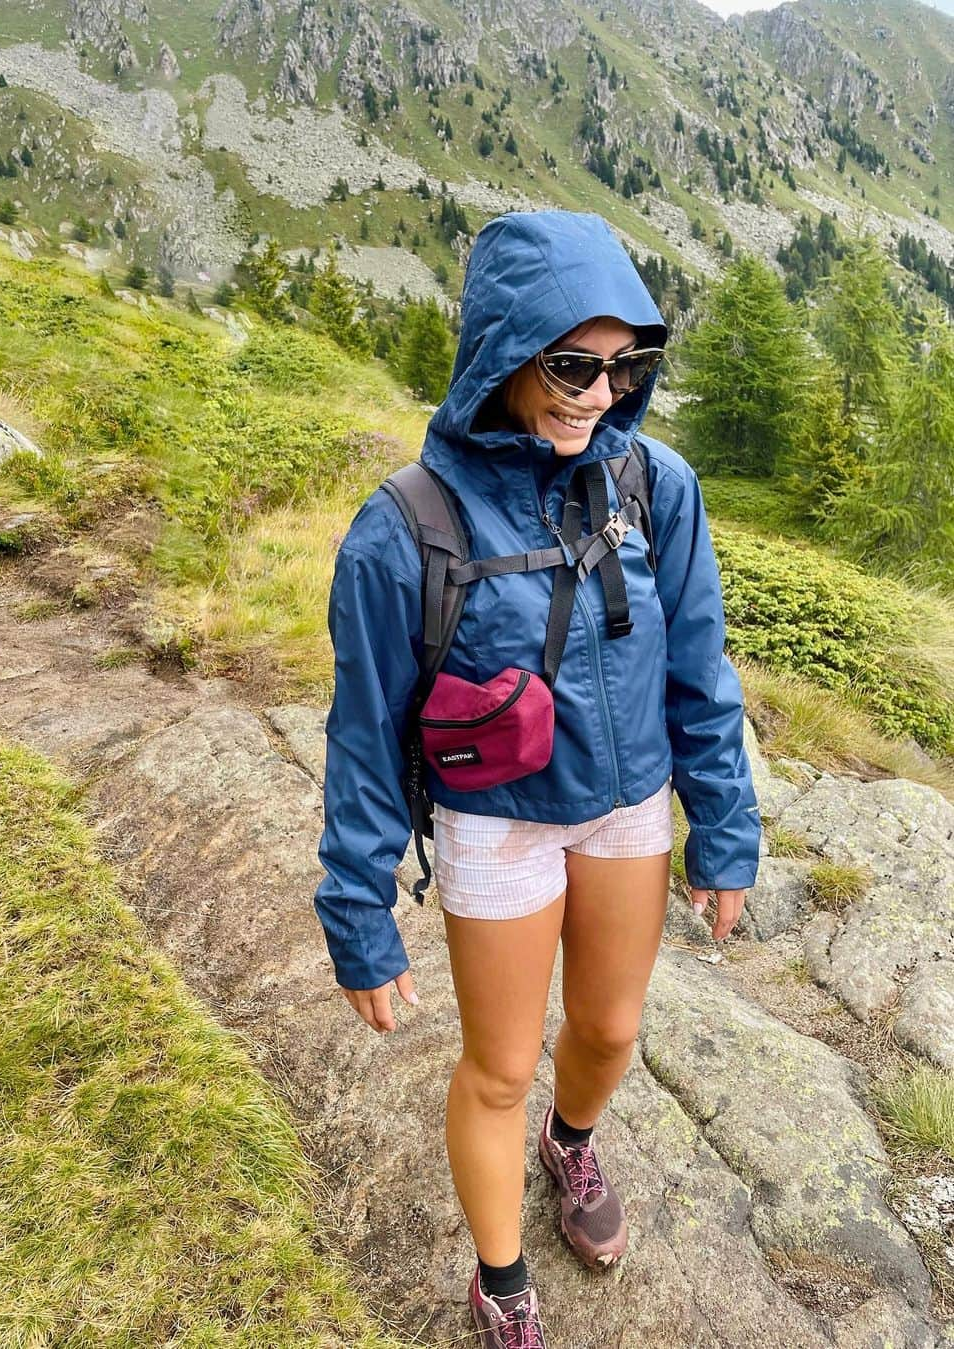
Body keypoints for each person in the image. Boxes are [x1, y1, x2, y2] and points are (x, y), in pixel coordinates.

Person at [314, 210, 760, 1347]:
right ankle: (502, 1277)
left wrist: (725, 828)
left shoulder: (659, 486)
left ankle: (575, 1138)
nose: (598, 392)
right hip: (496, 821)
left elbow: (701, 669)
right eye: (570, 363)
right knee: (501, 1065)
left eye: (627, 366)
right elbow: (365, 733)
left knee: (609, 1031)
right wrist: (359, 910)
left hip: (627, 807)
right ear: (504, 352)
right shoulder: (400, 527)